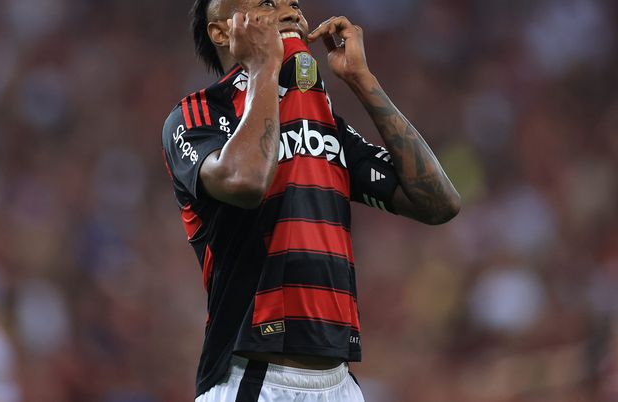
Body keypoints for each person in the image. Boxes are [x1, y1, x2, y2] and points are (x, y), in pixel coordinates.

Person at [161, 0, 461, 400]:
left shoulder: (324, 123)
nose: (289, 10)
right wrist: (264, 66)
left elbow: (439, 202)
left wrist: (362, 79)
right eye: (267, 2)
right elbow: (247, 180)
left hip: (339, 383)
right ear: (222, 32)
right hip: (253, 379)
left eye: (293, 2)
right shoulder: (197, 115)